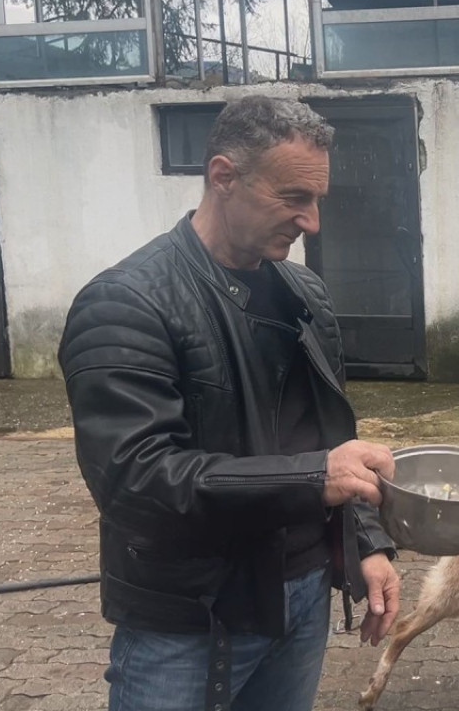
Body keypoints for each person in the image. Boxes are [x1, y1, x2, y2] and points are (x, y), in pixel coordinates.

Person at [57, 95, 401, 711]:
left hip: (300, 601)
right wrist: (315, 475)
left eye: (317, 199)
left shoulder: (306, 294)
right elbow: (135, 480)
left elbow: (325, 437)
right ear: (223, 177)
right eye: (295, 198)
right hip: (191, 620)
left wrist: (366, 542)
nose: (312, 222)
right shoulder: (126, 304)